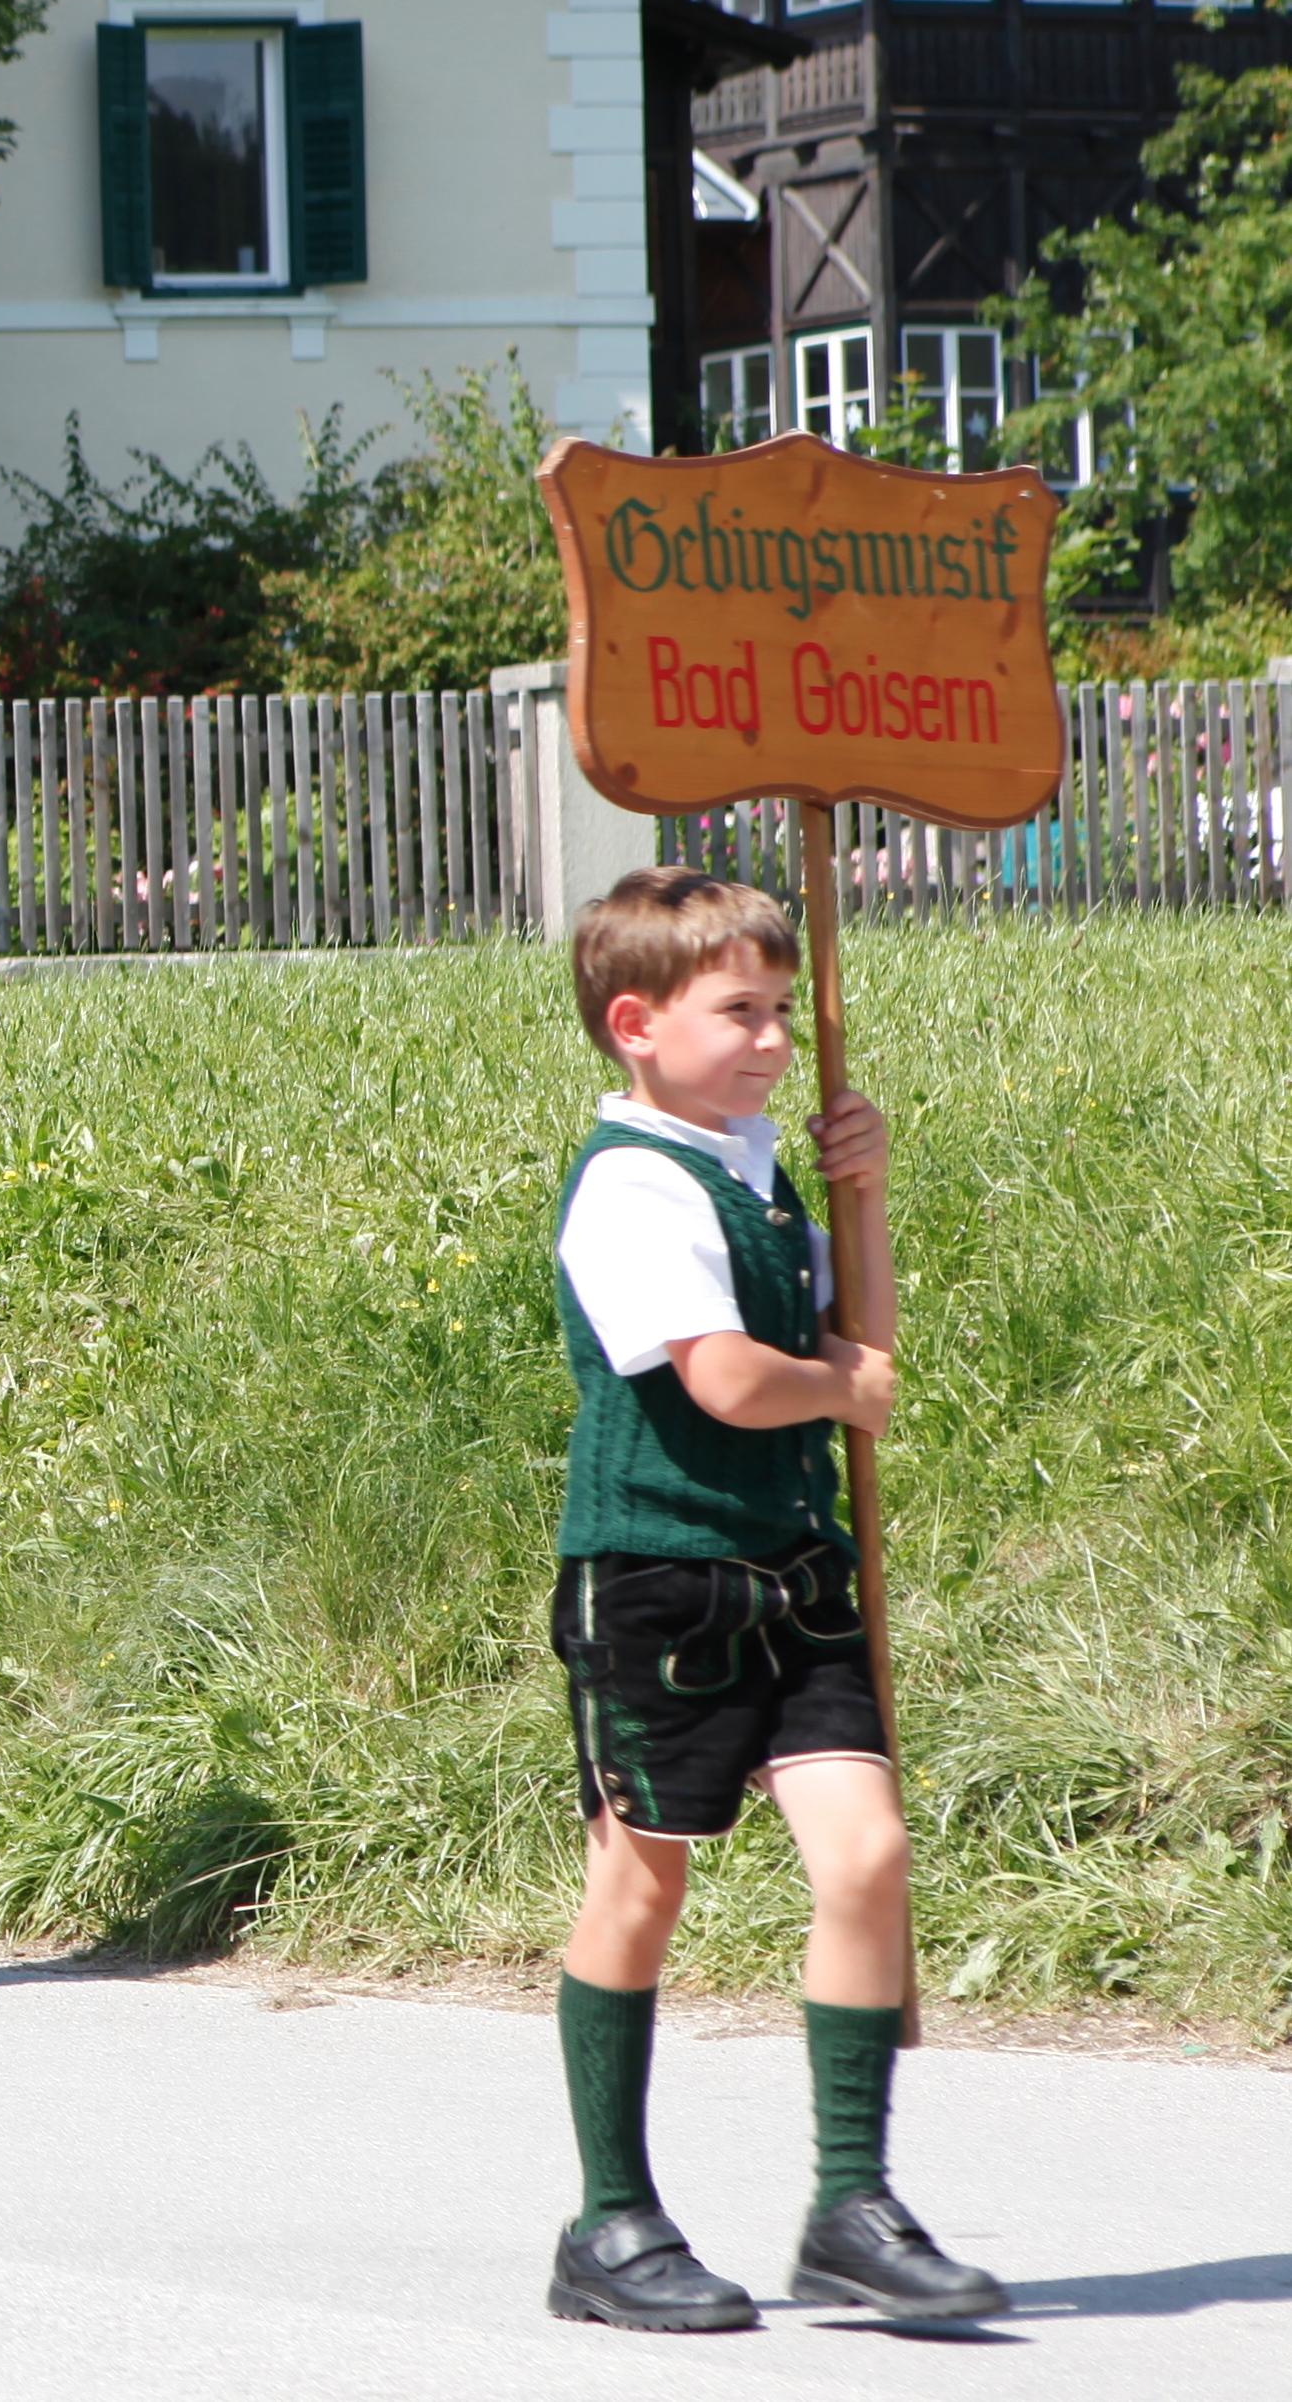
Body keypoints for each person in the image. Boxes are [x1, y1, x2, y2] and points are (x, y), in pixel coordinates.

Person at [540, 867, 1005, 2331]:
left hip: (794, 1574)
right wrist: (838, 1387)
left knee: (864, 1854)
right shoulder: (631, 1182)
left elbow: (852, 1337)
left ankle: (847, 2203)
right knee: (642, 1876)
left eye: (782, 1011)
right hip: (662, 1580)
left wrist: (857, 1202)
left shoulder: (753, 1166)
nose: (771, 1041)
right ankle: (608, 2219)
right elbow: (729, 1375)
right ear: (634, 1024)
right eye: (738, 1011)